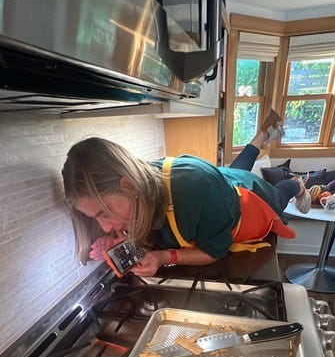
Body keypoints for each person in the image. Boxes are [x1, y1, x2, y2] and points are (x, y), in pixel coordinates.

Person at [62, 110, 310, 277]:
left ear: (127, 186)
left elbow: (213, 251)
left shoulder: (195, 190)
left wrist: (164, 257)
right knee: (236, 168)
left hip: (251, 200)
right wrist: (115, 241)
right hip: (220, 185)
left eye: (103, 213)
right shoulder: (139, 188)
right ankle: (261, 136)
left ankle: (298, 183)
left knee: (279, 195)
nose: (105, 227)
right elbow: (151, 230)